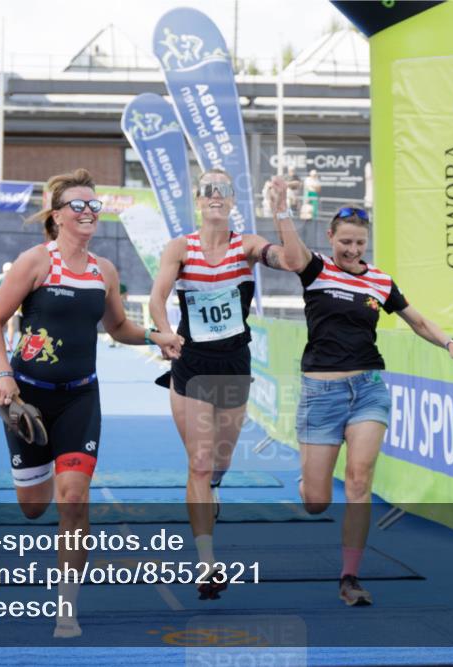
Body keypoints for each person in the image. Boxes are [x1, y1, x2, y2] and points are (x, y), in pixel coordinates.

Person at [0, 168, 183, 638]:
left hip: (80, 398)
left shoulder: (104, 271)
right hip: (26, 399)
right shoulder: (34, 262)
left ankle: (65, 608)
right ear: (58, 216)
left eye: (95, 205)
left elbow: (117, 329)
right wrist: (3, 375)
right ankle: (43, 463)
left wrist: (158, 336)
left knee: (73, 498)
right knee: (34, 507)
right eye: (80, 205)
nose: (90, 211)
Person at [264, 176, 453, 606]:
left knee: (359, 480)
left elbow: (417, 320)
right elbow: (290, 251)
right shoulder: (315, 268)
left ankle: (350, 577)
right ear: (330, 237)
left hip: (368, 388)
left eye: (360, 243)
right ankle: (308, 481)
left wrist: (450, 343)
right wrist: (281, 209)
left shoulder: (379, 281)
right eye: (345, 242)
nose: (353, 250)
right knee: (317, 502)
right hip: (321, 394)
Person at [148, 168, 301, 600]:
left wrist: (282, 212)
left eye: (224, 190)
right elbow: (159, 295)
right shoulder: (181, 248)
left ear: (233, 200)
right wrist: (164, 332)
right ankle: (207, 564)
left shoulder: (247, 246)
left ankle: (213, 488)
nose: (216, 196)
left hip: (233, 364)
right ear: (198, 199)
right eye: (208, 190)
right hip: (191, 363)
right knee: (197, 462)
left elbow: (291, 261)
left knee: (219, 462)